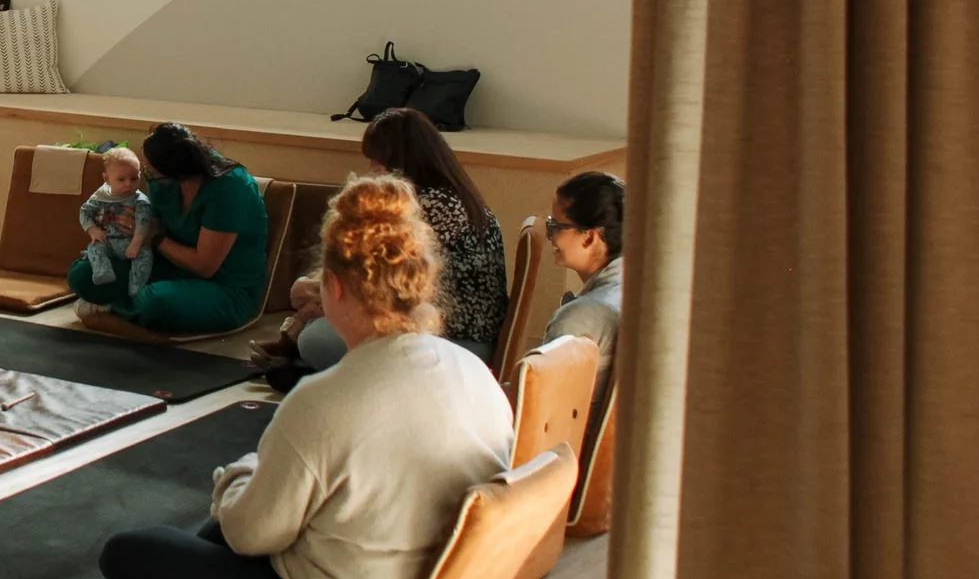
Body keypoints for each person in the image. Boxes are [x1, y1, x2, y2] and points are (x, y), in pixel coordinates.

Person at [34, 174, 514, 579]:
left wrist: (239, 474)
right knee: (264, 507)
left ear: (331, 286)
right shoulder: (472, 372)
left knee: (133, 550)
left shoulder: (326, 398)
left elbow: (249, 535)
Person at [285, 106, 510, 370]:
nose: (372, 170)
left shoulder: (433, 206)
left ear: (402, 161)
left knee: (317, 338)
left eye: (377, 160)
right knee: (324, 321)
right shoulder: (454, 197)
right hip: (451, 330)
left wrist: (316, 292)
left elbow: (375, 282)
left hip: (457, 341)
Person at [69, 122, 270, 337]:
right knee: (83, 275)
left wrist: (154, 238)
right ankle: (124, 306)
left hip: (222, 286)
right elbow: (150, 223)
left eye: (150, 173)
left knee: (156, 302)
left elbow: (204, 266)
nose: (147, 176)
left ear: (174, 173)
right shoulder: (164, 181)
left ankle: (115, 308)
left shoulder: (230, 189)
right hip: (168, 264)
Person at [541, 170, 625, 430]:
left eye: (555, 226)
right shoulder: (634, 288)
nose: (549, 236)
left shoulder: (580, 318)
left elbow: (538, 408)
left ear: (589, 237)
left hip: (560, 455)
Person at [78, 146, 162, 299]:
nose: (128, 184)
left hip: (129, 244)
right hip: (107, 240)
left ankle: (136, 287)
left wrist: (136, 243)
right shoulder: (100, 196)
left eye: (134, 179)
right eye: (121, 179)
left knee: (145, 254)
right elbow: (84, 212)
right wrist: (92, 230)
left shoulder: (139, 200)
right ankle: (103, 271)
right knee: (94, 248)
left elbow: (143, 223)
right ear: (107, 179)